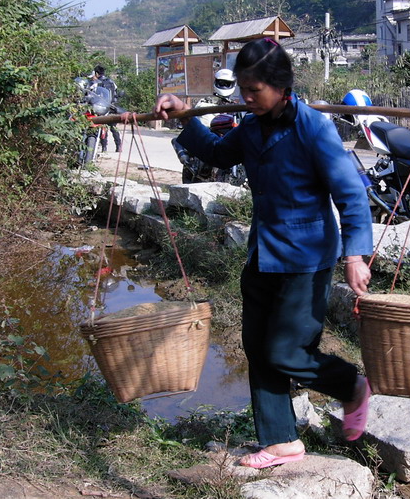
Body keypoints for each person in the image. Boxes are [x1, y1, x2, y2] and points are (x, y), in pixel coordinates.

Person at [154, 38, 374, 469]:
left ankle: (350, 384)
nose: (245, 98)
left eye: (253, 91)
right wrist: (183, 115)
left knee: (285, 350)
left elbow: (350, 193)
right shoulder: (251, 128)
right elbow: (217, 153)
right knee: (256, 345)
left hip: (306, 257)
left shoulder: (312, 127)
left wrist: (355, 255)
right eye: (242, 90)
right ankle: (280, 441)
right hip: (263, 252)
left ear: (280, 86)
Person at [90, 65, 123, 152]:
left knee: (101, 126)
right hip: (111, 107)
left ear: (96, 73)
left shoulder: (95, 83)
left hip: (100, 107)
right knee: (113, 127)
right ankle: (119, 146)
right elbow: (116, 93)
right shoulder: (112, 82)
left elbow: (91, 94)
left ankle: (104, 147)